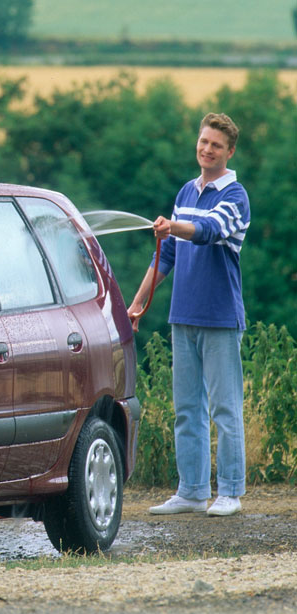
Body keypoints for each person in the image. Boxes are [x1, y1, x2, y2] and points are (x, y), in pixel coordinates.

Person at [128, 112, 250, 518]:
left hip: (219, 318)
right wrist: (138, 304)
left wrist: (173, 226)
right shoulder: (186, 191)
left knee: (225, 408)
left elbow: (210, 231)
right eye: (203, 141)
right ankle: (193, 491)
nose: (207, 149)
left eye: (216, 144)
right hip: (184, 317)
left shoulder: (235, 197)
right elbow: (167, 257)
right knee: (187, 409)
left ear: (229, 151)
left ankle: (230, 491)